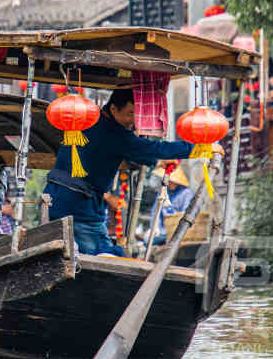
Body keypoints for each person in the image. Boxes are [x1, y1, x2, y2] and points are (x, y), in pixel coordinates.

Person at [43, 88, 221, 256]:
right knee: (104, 256)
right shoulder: (113, 133)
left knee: (66, 256)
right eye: (129, 113)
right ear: (113, 108)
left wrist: (157, 161)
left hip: (53, 199)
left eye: (136, 114)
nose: (133, 120)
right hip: (78, 206)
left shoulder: (91, 121)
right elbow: (152, 148)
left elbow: (130, 152)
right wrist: (201, 148)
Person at [150, 161, 193, 245]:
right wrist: (155, 228)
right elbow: (155, 213)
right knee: (149, 240)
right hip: (162, 232)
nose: (169, 183)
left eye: (171, 181)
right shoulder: (162, 192)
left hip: (178, 231)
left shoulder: (186, 193)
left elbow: (186, 213)